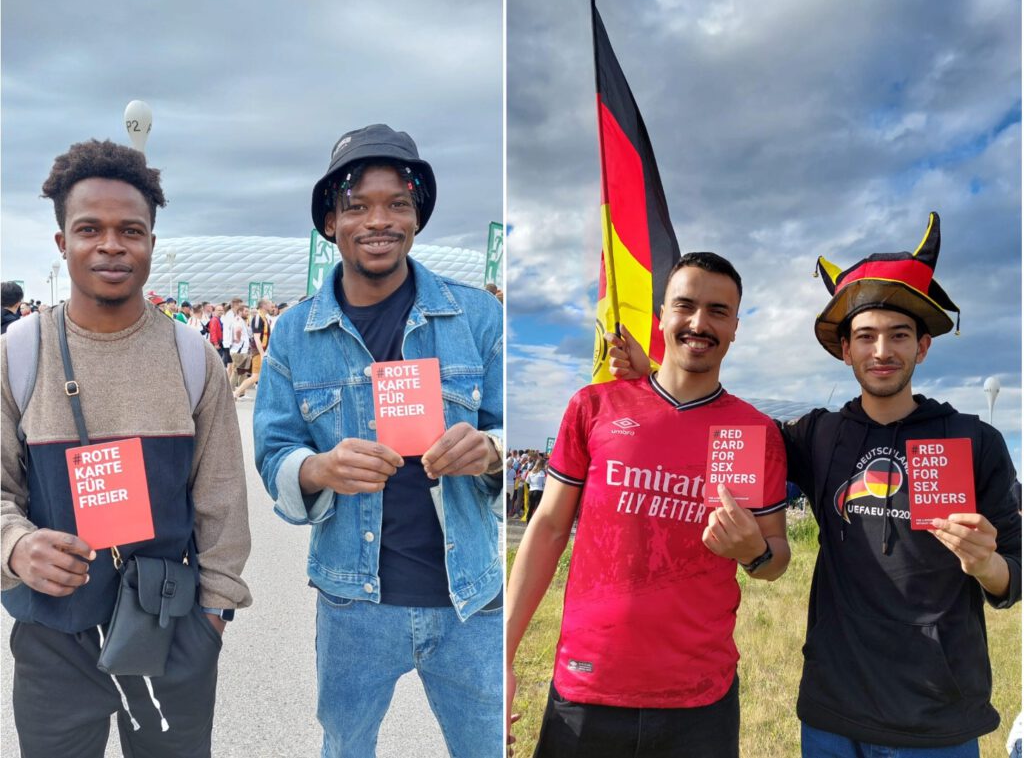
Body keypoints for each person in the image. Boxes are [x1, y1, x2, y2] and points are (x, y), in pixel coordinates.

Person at [609, 214, 1021, 756]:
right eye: (866, 337)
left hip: (936, 718)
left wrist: (984, 563)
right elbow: (729, 425)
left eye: (899, 336)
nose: (881, 352)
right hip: (832, 710)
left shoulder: (975, 440)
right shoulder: (818, 435)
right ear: (844, 350)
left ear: (923, 347)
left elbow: (1012, 580)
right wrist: (660, 372)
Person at [253, 123, 504, 758]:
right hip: (353, 601)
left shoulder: (476, 319)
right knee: (346, 747)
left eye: (397, 203)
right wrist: (319, 470)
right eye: (358, 205)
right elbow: (275, 449)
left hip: (469, 598)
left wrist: (492, 450)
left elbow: (520, 429)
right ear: (330, 221)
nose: (379, 221)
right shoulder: (293, 334)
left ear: (417, 214)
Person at [0, 138, 252, 757]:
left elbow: (221, 500)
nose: (111, 244)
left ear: (151, 245)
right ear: (62, 243)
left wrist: (211, 619)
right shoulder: (18, 355)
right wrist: (16, 546)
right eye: (90, 228)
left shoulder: (193, 359)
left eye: (130, 230)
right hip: (55, 634)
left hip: (169, 626)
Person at [506, 253, 791, 758]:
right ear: (662, 316)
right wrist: (502, 655)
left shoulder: (754, 432)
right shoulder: (594, 406)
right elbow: (549, 528)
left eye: (718, 311)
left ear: (735, 328)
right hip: (587, 687)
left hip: (699, 698)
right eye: (686, 306)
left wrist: (755, 553)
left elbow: (775, 560)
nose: (699, 323)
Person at [233, 298, 271, 400]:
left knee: (261, 376)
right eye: (269, 303)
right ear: (264, 305)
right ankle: (236, 392)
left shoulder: (264, 317)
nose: (272, 305)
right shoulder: (259, 318)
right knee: (255, 376)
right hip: (258, 351)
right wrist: (262, 353)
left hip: (261, 351)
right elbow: (257, 337)